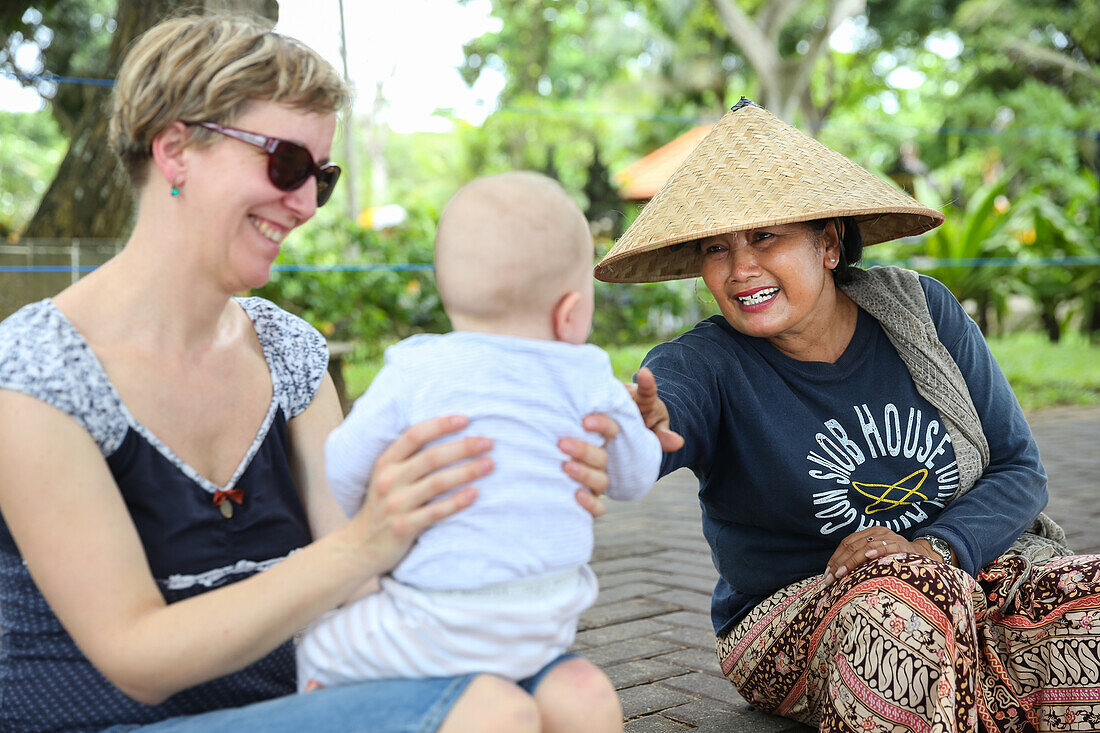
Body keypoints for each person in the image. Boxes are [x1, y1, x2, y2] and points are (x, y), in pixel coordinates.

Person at [0, 15, 623, 732]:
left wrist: (521, 480)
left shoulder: (287, 350)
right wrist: (367, 541)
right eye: (285, 163)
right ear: (175, 150)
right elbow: (135, 654)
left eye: (319, 178)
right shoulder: (36, 373)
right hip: (104, 720)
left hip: (291, 704)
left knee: (578, 697)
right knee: (489, 713)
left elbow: (360, 580)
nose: (303, 204)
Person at [594, 97, 1100, 732]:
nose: (741, 268)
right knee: (902, 612)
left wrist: (935, 551)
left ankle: (983, 691)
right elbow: (655, 430)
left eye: (765, 236)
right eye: (717, 248)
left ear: (828, 244)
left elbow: (1019, 470)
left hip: (967, 572)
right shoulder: (704, 364)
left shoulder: (921, 314)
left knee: (1086, 602)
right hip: (799, 620)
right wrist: (628, 435)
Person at [297, 172, 661, 730]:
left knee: (319, 642)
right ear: (571, 312)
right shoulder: (587, 373)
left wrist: (367, 524)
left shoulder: (416, 366)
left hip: (431, 619)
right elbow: (636, 477)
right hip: (546, 622)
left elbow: (341, 464)